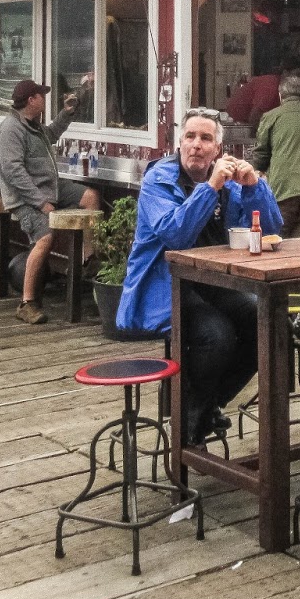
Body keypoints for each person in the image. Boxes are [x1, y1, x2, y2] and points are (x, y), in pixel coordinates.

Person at [117, 109, 282, 445]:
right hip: (166, 284)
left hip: (216, 281)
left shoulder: (228, 184)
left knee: (268, 321)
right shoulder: (158, 181)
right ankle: (190, 427)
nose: (196, 144)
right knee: (216, 335)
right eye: (190, 137)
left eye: (206, 138)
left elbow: (270, 228)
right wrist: (210, 187)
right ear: (179, 144)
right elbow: (175, 235)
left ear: (217, 149)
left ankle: (205, 406)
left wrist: (254, 186)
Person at [0, 79, 85, 324]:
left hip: (49, 188)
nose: (44, 99)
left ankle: (86, 260)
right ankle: (27, 303)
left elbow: (52, 133)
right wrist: (41, 203)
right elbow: (13, 172)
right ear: (31, 100)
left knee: (91, 197)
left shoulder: (33, 125)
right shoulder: (11, 129)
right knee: (45, 237)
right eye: (41, 96)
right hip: (24, 198)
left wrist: (67, 113)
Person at [252, 74, 300, 237]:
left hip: (283, 187)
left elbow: (262, 153)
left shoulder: (271, 116)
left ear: (280, 95)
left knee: (279, 238)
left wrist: (257, 170)